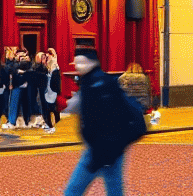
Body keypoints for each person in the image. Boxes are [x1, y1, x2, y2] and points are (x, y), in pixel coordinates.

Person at [62, 46, 146, 196]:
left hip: (100, 151)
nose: (77, 67)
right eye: (75, 63)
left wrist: (99, 154)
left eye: (81, 63)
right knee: (114, 190)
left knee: (73, 191)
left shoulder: (97, 84)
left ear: (91, 63)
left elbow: (104, 120)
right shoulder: (94, 82)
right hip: (111, 149)